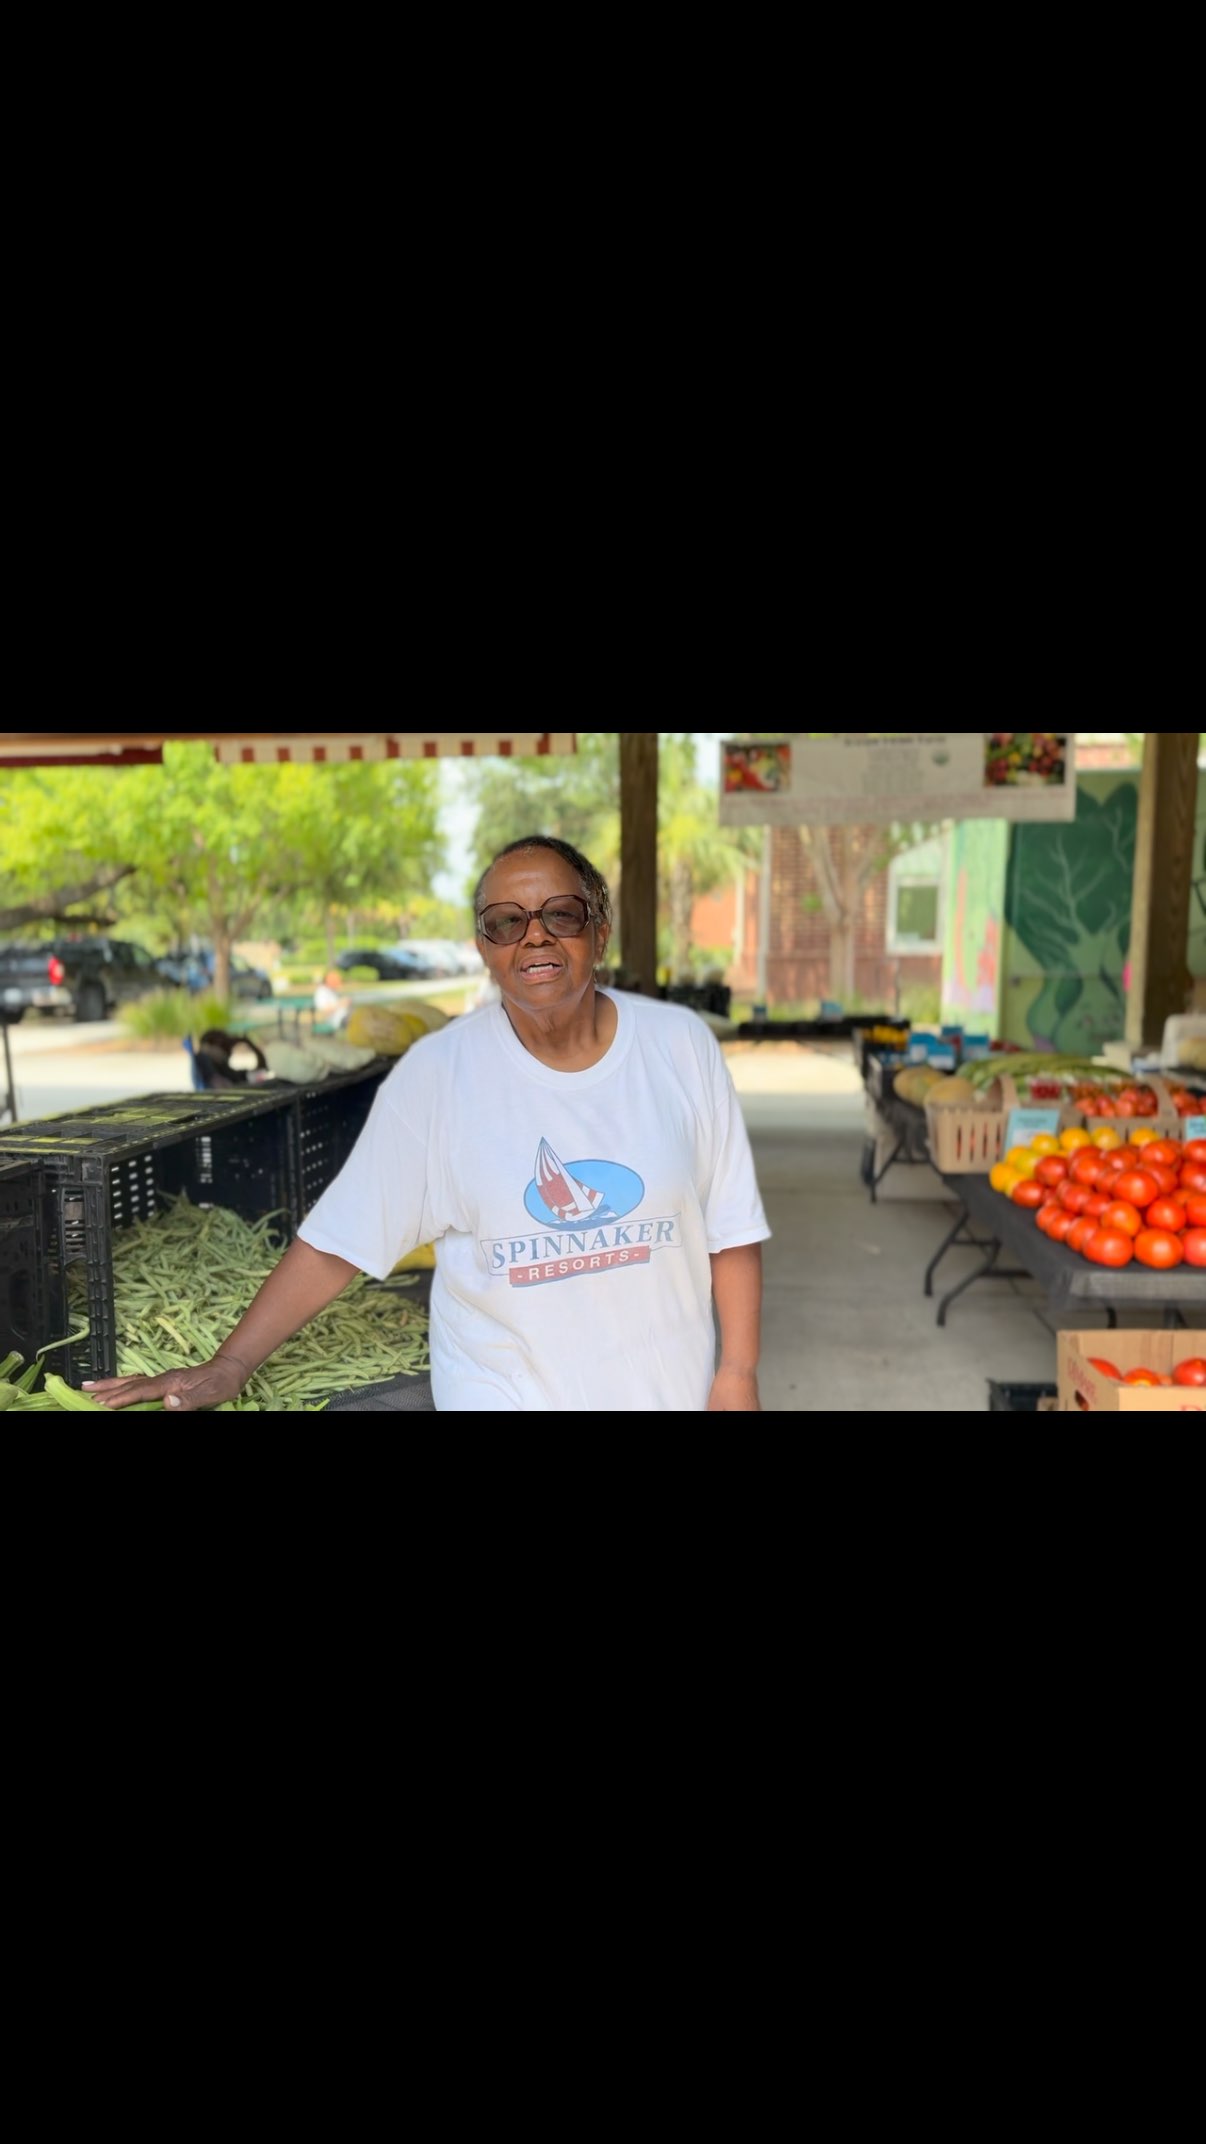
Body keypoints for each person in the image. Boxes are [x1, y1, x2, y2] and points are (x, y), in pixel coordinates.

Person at [84, 836, 771, 1413]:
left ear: (600, 929)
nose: (534, 934)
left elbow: (732, 1229)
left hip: (664, 1389)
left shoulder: (678, 1046)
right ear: (483, 945)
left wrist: (736, 1374)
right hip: (504, 1390)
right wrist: (230, 1364)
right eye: (506, 921)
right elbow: (341, 1238)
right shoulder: (437, 1074)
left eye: (560, 914)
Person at [191, 1028, 269, 1091]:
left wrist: (248, 1042)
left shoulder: (227, 1071)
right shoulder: (203, 1061)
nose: (228, 1051)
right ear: (208, 1046)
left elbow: (262, 1068)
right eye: (224, 1045)